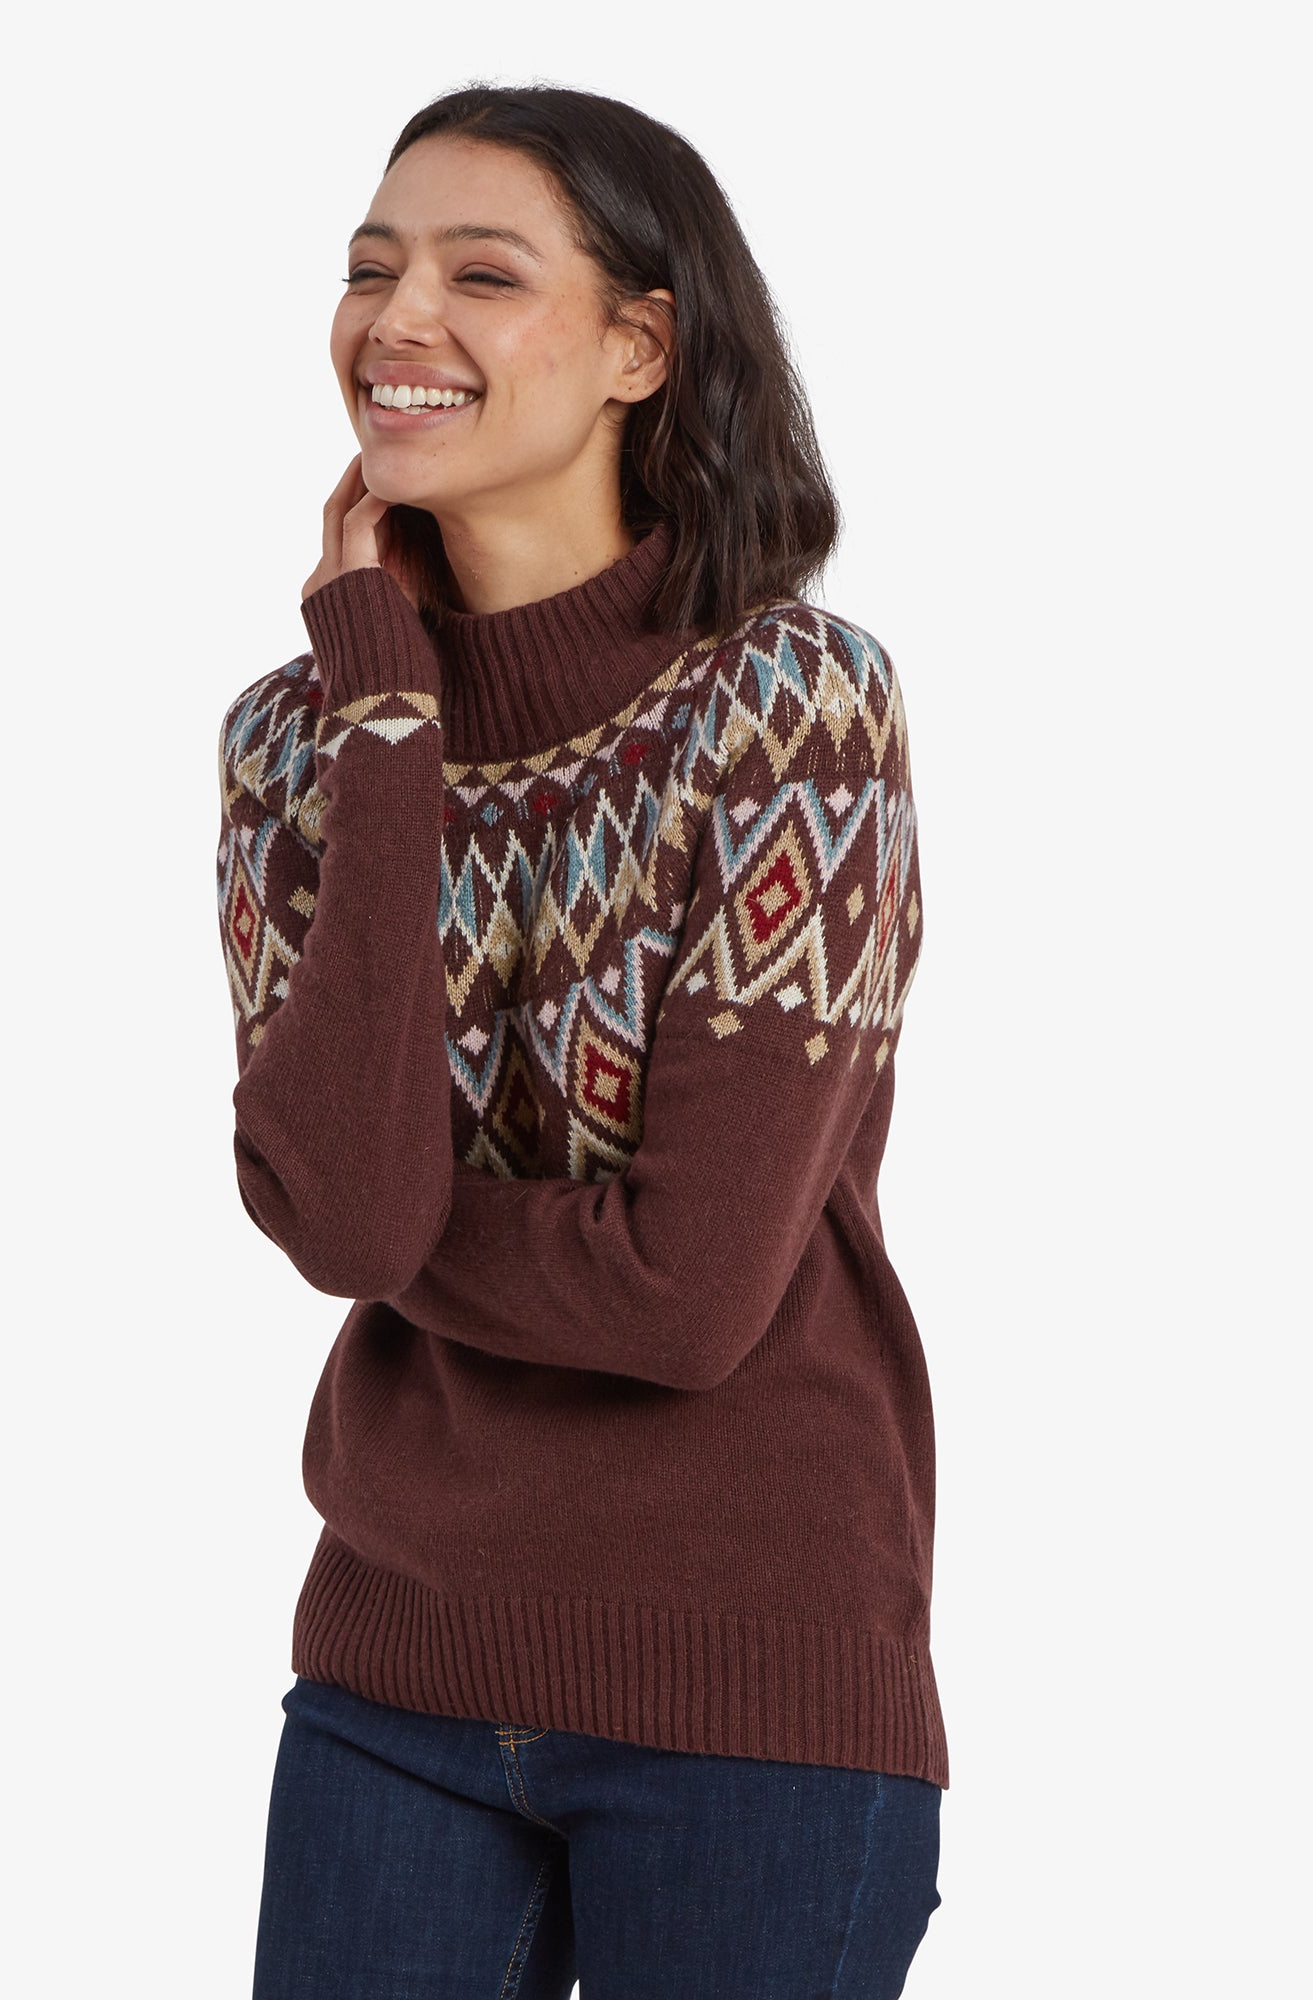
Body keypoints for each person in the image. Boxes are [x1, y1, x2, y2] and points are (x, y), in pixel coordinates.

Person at [218, 83, 946, 1998]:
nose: (400, 320)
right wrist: (387, 722)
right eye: (372, 270)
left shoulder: (789, 711)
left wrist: (385, 1208)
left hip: (748, 1689)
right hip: (391, 1676)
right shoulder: (296, 746)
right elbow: (351, 1225)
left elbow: (690, 1295)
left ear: (640, 343)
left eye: (481, 272)